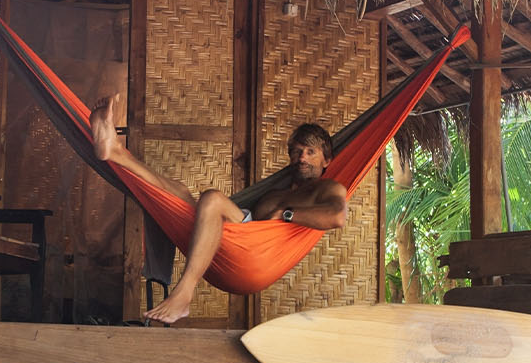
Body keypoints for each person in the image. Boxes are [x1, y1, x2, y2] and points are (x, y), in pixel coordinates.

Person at [89, 95, 348, 323]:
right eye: (297, 151)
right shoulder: (279, 190)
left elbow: (337, 216)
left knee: (212, 198)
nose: (302, 157)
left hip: (254, 253)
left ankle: (185, 293)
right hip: (236, 235)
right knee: (178, 191)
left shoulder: (327, 188)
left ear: (327, 159)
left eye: (311, 152)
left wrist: (287, 215)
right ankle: (115, 152)